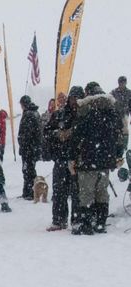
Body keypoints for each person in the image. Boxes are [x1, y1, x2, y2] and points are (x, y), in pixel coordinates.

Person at [69, 82, 124, 235]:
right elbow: (120, 135)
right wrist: (117, 155)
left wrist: (72, 157)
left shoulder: (86, 111)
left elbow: (76, 136)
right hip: (106, 161)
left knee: (86, 194)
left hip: (88, 160)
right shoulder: (112, 112)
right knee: (102, 193)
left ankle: (86, 224)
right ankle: (100, 223)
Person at [43, 87, 84, 231]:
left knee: (77, 192)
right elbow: (46, 132)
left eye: (78, 98)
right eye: (73, 98)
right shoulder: (60, 114)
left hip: (78, 159)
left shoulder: (84, 114)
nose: (75, 101)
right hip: (61, 158)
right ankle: (59, 220)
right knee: (59, 191)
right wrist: (58, 134)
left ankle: (77, 220)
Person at [18, 95, 42, 200]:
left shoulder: (29, 114)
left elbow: (27, 133)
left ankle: (30, 192)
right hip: (33, 147)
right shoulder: (35, 113)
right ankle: (28, 191)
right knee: (29, 169)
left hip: (29, 148)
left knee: (28, 170)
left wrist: (23, 143)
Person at [111, 76, 131, 149]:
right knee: (114, 130)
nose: (122, 84)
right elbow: (110, 102)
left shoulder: (129, 93)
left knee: (125, 130)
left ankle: (124, 146)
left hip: (124, 114)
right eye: (120, 82)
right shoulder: (113, 92)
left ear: (126, 83)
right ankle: (114, 145)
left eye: (123, 82)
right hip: (114, 114)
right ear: (118, 83)